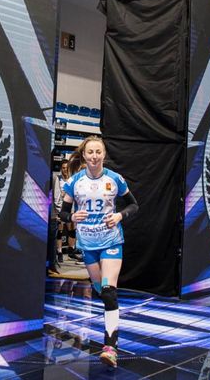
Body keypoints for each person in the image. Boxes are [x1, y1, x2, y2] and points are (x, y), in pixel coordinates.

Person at [58, 135, 138, 369]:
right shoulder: (74, 182)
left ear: (104, 154)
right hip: (87, 244)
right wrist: (72, 216)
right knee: (100, 290)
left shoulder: (115, 179)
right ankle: (110, 310)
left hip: (111, 240)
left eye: (98, 152)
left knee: (109, 291)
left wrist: (119, 215)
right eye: (90, 152)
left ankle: (110, 349)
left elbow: (134, 205)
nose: (94, 156)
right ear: (84, 155)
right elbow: (63, 213)